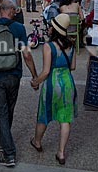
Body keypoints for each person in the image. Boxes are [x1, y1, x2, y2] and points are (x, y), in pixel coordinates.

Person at [0, 0, 38, 168]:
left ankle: (7, 150)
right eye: (15, 10)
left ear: (0, 10)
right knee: (9, 109)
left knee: (1, 112)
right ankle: (5, 146)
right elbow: (26, 55)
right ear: (11, 11)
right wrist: (34, 75)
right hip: (14, 75)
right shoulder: (19, 28)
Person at [30, 13, 77, 165]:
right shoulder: (71, 44)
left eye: (51, 26)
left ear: (54, 29)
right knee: (65, 120)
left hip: (52, 83)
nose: (49, 28)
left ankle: (37, 142)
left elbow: (45, 71)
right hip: (68, 83)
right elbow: (73, 67)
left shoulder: (48, 46)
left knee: (44, 114)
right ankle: (61, 153)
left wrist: (35, 82)